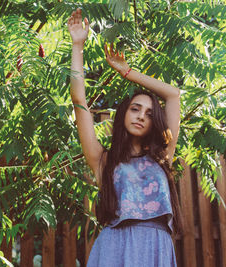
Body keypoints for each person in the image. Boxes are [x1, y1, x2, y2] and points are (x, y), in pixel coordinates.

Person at [67, 8, 183, 267]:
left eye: (150, 114)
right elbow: (79, 101)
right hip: (114, 248)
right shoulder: (103, 160)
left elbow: (173, 95)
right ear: (123, 115)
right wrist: (78, 45)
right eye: (135, 108)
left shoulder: (163, 156)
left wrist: (128, 72)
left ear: (156, 123)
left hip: (156, 248)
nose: (141, 116)